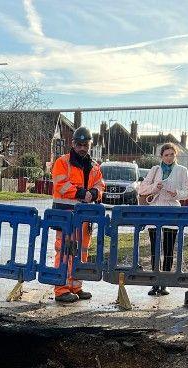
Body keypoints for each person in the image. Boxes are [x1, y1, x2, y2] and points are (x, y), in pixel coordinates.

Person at [49, 126, 105, 303]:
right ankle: (61, 289)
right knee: (64, 251)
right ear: (73, 144)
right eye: (79, 144)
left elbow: (100, 185)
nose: (82, 147)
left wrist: (95, 193)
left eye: (85, 144)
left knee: (81, 252)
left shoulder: (94, 166)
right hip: (65, 216)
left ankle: (76, 287)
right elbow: (61, 185)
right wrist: (82, 193)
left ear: (90, 145)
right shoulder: (62, 162)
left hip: (84, 217)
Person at [137, 142, 188, 295]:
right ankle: (155, 282)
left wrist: (176, 193)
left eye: (172, 154)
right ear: (161, 156)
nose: (169, 158)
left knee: (168, 248)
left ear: (175, 155)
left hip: (172, 210)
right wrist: (156, 187)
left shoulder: (182, 170)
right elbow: (142, 189)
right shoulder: (155, 170)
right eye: (166, 155)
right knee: (155, 248)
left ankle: (164, 283)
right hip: (155, 210)